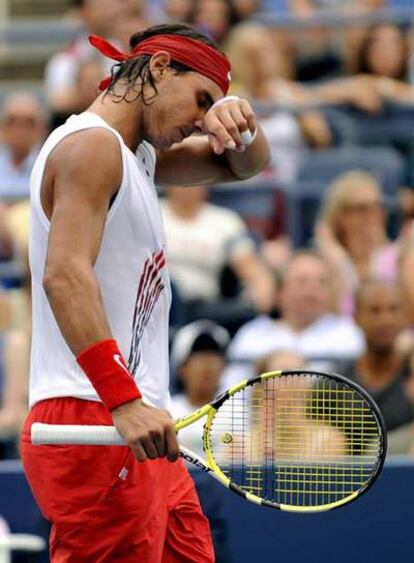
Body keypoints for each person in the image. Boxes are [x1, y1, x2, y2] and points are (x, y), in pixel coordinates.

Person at [21, 22, 270, 563]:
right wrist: (125, 400)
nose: (203, 120)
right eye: (201, 99)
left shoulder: (138, 156)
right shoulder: (92, 147)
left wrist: (243, 123)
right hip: (96, 411)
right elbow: (64, 274)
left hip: (136, 420)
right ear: (159, 68)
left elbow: (244, 165)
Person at [224, 250, 364, 386]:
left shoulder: (348, 335)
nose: (312, 288)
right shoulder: (251, 335)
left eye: (322, 282)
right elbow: (231, 397)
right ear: (280, 291)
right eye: (302, 281)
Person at [161, 183, 275, 331]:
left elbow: (250, 266)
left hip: (204, 307)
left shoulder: (225, 221)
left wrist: (262, 291)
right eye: (182, 180)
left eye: (195, 180)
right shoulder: (152, 211)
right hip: (156, 301)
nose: (188, 186)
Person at [338, 280, 414, 435]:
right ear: (356, 318)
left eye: (393, 310)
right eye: (375, 311)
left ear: (405, 317)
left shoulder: (411, 375)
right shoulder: (335, 383)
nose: (385, 320)